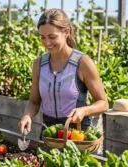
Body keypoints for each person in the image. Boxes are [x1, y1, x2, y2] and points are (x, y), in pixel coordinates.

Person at [18, 8, 109, 138]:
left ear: (66, 32)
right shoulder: (39, 64)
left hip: (77, 133)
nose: (47, 43)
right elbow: (34, 101)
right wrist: (27, 115)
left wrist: (84, 110)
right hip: (49, 133)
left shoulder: (82, 63)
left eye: (52, 37)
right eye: (42, 37)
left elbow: (103, 102)